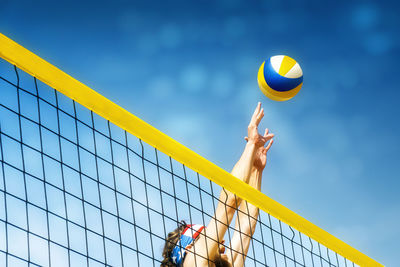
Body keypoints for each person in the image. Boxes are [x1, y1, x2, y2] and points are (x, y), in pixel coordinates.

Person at [161, 103, 274, 267]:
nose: (220, 238)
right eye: (207, 234)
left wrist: (256, 170)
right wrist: (251, 144)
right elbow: (229, 203)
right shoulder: (193, 263)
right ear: (190, 247)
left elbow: (246, 229)